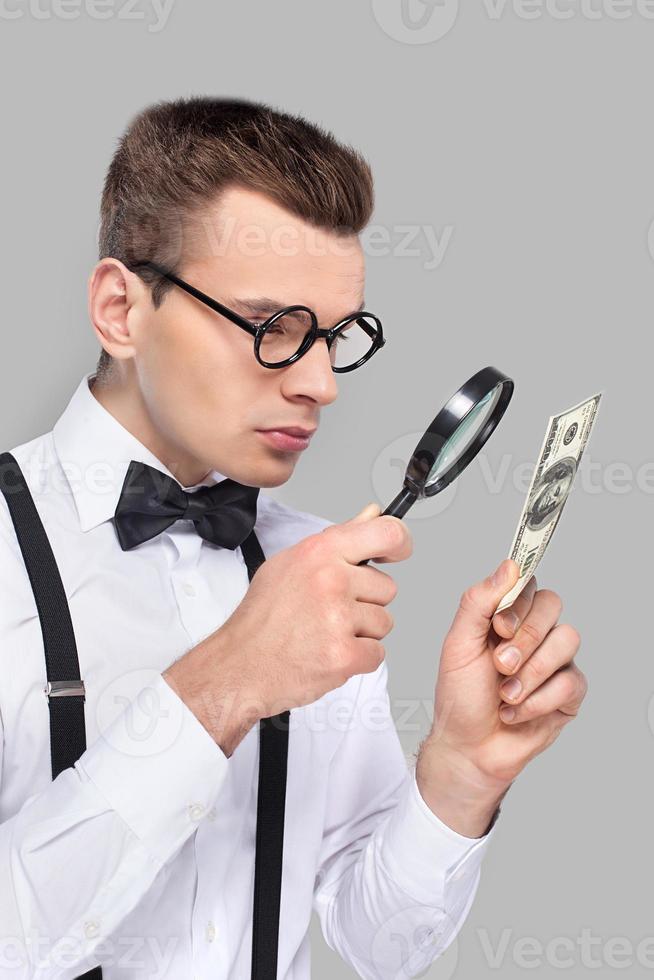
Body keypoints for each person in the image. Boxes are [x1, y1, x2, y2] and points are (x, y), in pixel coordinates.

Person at [0, 96, 587, 979]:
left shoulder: (309, 565)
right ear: (122, 309)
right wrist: (228, 679)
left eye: (337, 336)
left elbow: (376, 942)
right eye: (276, 328)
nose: (321, 383)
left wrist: (461, 773)